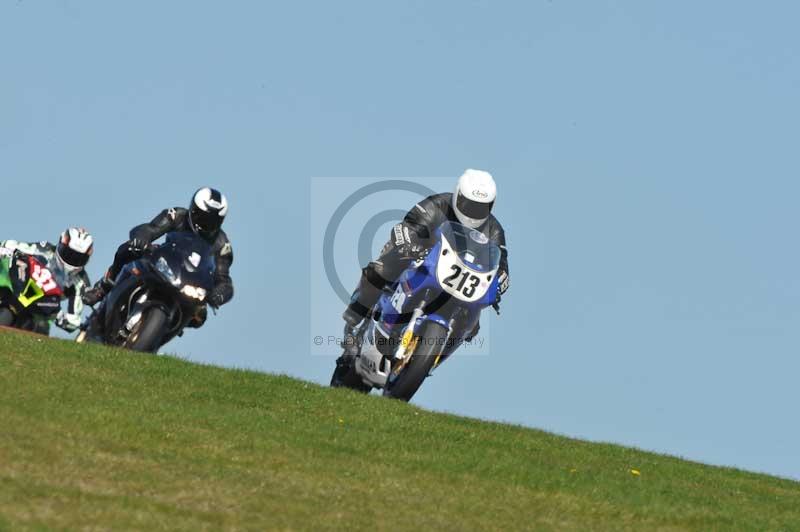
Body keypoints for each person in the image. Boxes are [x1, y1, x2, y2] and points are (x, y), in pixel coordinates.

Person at [337, 169, 510, 365]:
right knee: (381, 269)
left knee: (473, 323)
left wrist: (500, 284)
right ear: (458, 195)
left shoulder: (494, 229)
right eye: (468, 204)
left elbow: (501, 266)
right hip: (421, 257)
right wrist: (409, 244)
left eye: (480, 208)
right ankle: (354, 321)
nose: (472, 212)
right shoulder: (438, 204)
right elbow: (407, 226)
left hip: (458, 280)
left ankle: (428, 361)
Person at [82, 188, 234, 327]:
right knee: (128, 249)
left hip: (191, 283)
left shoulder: (222, 243)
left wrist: (220, 294)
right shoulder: (177, 215)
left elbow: (224, 279)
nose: (206, 224)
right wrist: (142, 238)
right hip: (166, 263)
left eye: (213, 221)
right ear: (193, 210)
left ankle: (158, 333)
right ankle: (103, 287)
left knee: (200, 316)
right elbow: (151, 228)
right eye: (202, 218)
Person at [0, 227, 94, 333]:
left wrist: (58, 315)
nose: (72, 260)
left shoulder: (81, 283)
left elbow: (74, 321)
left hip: (40, 311)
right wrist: (7, 250)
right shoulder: (45, 249)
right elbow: (12, 245)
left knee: (41, 328)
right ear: (61, 244)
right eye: (68, 253)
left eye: (78, 258)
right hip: (14, 285)